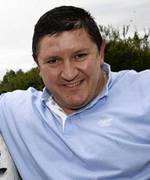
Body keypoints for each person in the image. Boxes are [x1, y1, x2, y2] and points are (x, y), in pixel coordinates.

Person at [0, 5, 150, 180]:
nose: (69, 74)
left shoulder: (144, 91)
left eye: (79, 56)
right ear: (38, 64)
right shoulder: (14, 110)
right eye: (53, 60)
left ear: (100, 52)